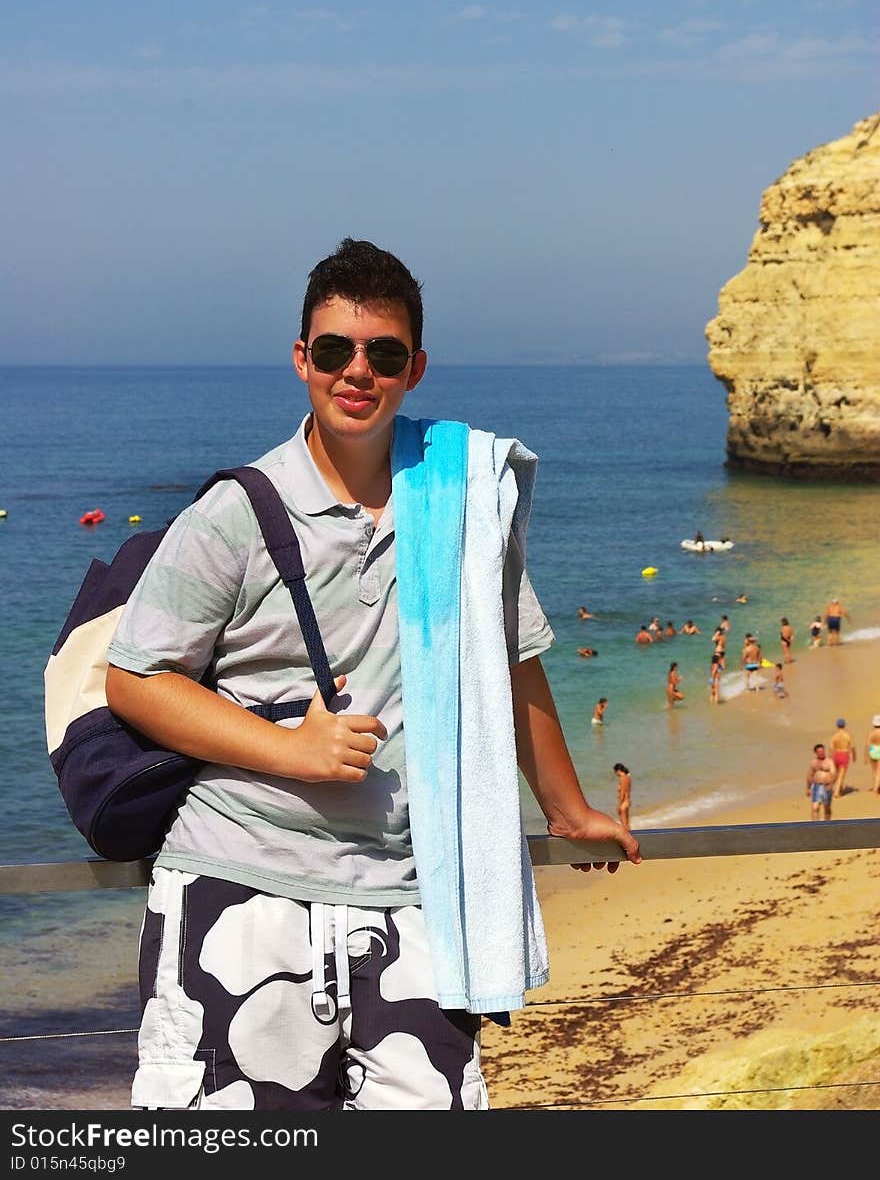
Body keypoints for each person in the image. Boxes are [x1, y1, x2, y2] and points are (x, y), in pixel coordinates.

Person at [103, 237, 641, 1112]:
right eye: (333, 351)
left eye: (383, 354)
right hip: (242, 882)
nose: (357, 373)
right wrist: (294, 751)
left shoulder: (459, 498)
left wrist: (567, 810)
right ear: (301, 359)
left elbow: (508, 661)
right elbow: (137, 678)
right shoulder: (236, 512)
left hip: (408, 893)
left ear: (415, 367)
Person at [806, 743, 836, 820]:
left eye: (822, 751)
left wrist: (831, 784)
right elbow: (810, 775)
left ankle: (827, 824)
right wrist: (808, 788)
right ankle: (815, 825)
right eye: (819, 752)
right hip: (816, 786)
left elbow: (834, 773)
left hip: (826, 786)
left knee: (827, 807)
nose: (821, 753)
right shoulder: (813, 762)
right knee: (815, 808)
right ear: (816, 752)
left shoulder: (829, 761)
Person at [829, 717, 856, 798]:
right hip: (844, 755)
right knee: (841, 775)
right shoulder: (848, 735)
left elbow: (831, 748)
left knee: (837, 774)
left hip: (836, 755)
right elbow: (852, 747)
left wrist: (830, 758)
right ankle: (836, 793)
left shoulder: (834, 736)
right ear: (844, 725)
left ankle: (838, 790)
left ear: (837, 725)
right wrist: (854, 756)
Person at [613, 763, 632, 830]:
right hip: (627, 801)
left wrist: (619, 805)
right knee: (627, 824)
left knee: (624, 826)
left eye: (615, 772)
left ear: (618, 771)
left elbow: (622, 793)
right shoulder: (628, 777)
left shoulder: (622, 778)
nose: (616, 774)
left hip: (623, 803)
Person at [865, 716, 880, 796]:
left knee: (874, 771)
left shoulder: (871, 733)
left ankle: (875, 786)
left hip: (872, 750)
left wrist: (866, 757)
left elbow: (867, 745)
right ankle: (876, 789)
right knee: (878, 772)